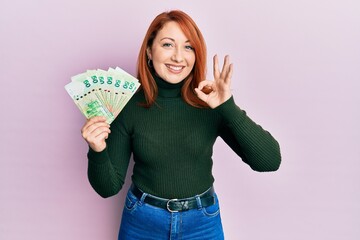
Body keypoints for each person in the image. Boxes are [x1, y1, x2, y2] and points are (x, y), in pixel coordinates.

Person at [81, 10, 281, 240]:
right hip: (142, 222)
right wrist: (97, 150)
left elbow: (269, 161)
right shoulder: (127, 103)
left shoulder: (210, 102)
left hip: (202, 224)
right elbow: (108, 188)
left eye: (188, 47)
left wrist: (227, 106)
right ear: (149, 50)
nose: (178, 57)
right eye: (167, 44)